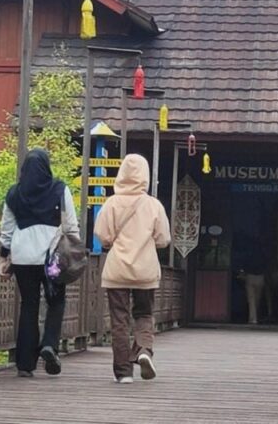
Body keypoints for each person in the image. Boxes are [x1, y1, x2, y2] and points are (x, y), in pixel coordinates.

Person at [0, 148, 79, 378]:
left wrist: (4, 255)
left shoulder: (14, 193)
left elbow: (7, 229)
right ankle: (49, 344)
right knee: (56, 301)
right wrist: (74, 248)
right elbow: (70, 225)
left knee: (29, 305)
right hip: (52, 257)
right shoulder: (59, 189)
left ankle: (25, 364)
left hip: (23, 257)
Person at [94, 153, 171, 384]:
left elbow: (103, 236)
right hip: (145, 271)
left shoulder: (111, 203)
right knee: (144, 314)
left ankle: (123, 372)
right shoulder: (153, 205)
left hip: (117, 269)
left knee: (119, 320)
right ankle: (144, 350)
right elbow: (163, 239)